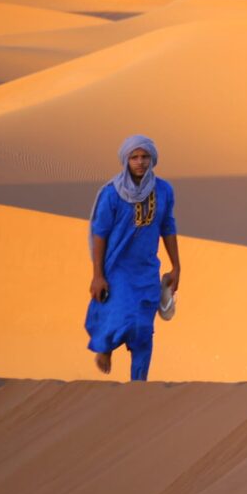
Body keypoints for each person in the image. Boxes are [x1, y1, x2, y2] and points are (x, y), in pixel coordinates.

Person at [85, 135, 180, 381]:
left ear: (153, 159)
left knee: (144, 329)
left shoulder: (164, 190)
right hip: (118, 267)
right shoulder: (112, 194)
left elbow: (168, 226)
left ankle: (139, 385)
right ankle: (105, 347)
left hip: (147, 269)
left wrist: (176, 265)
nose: (140, 162)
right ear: (126, 160)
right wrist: (97, 274)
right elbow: (100, 233)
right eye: (134, 157)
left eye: (145, 157)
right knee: (122, 315)